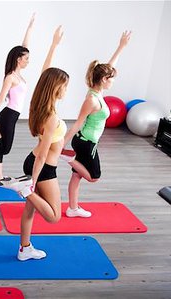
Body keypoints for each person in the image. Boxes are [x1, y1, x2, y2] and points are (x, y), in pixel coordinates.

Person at [10, 26, 66, 261]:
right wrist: (31, 184)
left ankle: (25, 249)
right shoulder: (51, 116)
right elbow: (43, 156)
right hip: (42, 169)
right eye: (64, 86)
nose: (66, 90)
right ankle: (23, 188)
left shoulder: (42, 103)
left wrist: (53, 45)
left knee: (30, 212)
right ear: (56, 88)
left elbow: (46, 73)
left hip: (34, 163)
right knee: (54, 216)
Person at [61, 31, 132, 218]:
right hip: (86, 142)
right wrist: (62, 144)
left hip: (84, 140)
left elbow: (109, 66)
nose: (113, 81)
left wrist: (121, 46)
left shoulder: (96, 91)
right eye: (112, 78)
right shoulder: (92, 100)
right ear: (104, 80)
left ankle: (72, 208)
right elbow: (77, 123)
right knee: (93, 177)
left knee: (76, 176)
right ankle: (69, 159)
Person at [0, 14, 35, 186]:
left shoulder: (18, 74)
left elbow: (24, 46)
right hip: (8, 114)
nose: (28, 61)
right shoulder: (11, 77)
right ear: (19, 59)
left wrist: (30, 27)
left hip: (13, 115)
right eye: (26, 59)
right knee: (5, 148)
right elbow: (1, 97)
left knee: (2, 147)